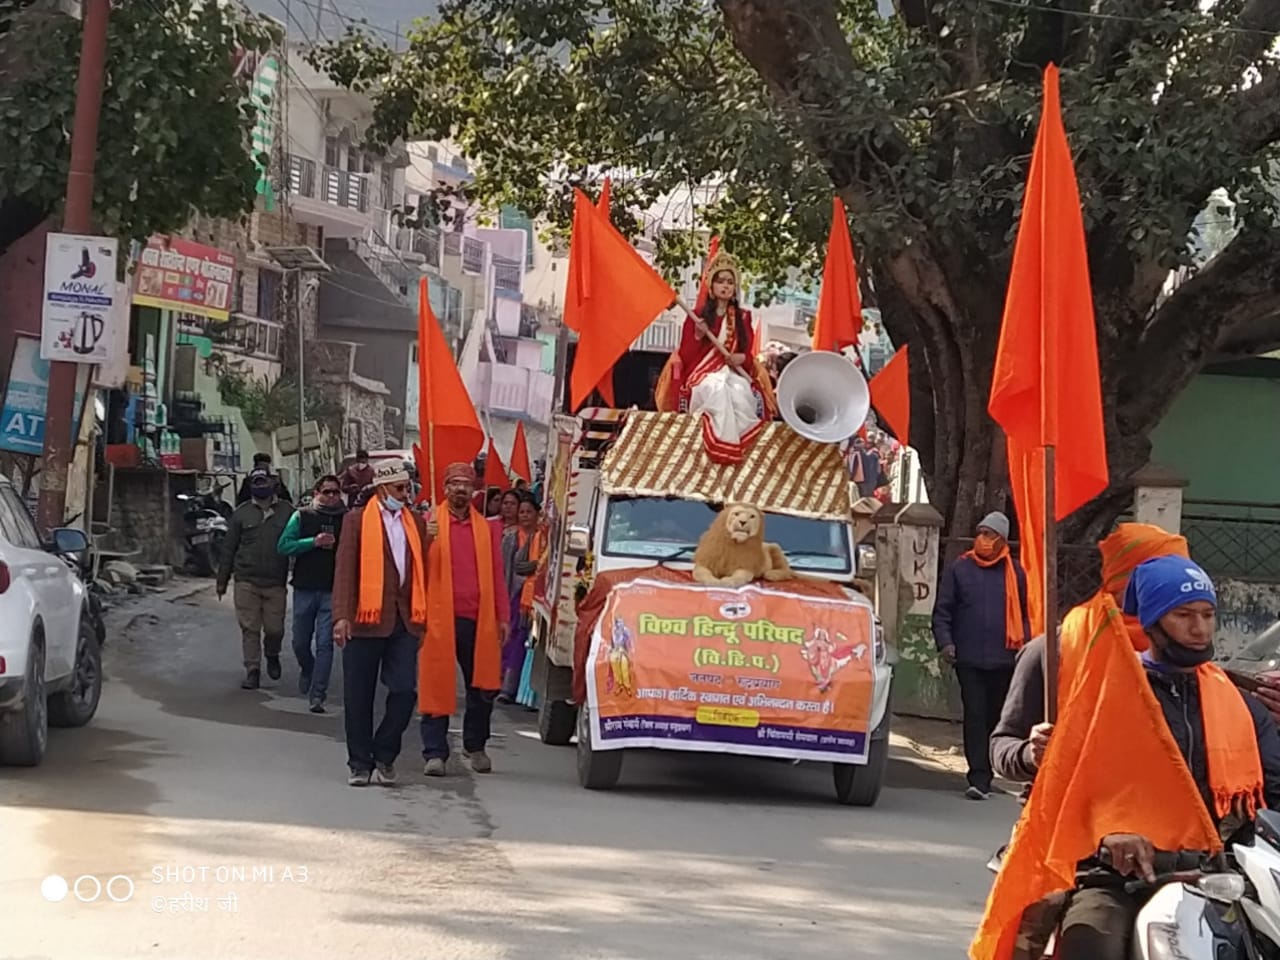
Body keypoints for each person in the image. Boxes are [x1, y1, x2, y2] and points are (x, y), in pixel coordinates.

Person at [1024, 557, 1280, 960]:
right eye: (1183, 615)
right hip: (1113, 876)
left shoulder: (1242, 705)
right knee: (1092, 944)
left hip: (1215, 875)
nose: (1200, 628)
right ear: (1151, 622)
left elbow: (1273, 792)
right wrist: (1107, 835)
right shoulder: (1104, 695)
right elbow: (1063, 789)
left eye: (1208, 615)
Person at [991, 523, 1192, 786]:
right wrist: (1030, 754)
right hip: (1071, 819)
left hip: (1175, 820)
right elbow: (1001, 747)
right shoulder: (1053, 650)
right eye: (1166, 578)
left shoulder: (1191, 656)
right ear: (1126, 582)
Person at [331, 460, 428, 787]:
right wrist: (342, 615)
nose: (406, 494)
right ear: (383, 488)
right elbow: (344, 570)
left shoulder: (415, 521)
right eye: (400, 488)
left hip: (404, 620)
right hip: (364, 618)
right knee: (358, 695)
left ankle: (384, 753)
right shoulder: (356, 520)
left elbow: (421, 571)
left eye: (408, 487)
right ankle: (360, 763)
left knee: (404, 691)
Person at [419, 462, 510, 777]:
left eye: (466, 485)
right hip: (438, 619)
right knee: (435, 682)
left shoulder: (485, 528)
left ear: (474, 491)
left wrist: (502, 616)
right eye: (455, 483)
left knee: (482, 686)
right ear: (444, 488)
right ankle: (434, 752)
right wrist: (424, 539)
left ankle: (476, 745)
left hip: (479, 619)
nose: (460, 489)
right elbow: (414, 569)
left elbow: (498, 576)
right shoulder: (428, 522)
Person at [932, 511, 1030, 800]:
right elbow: (943, 611)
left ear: (1002, 541)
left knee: (998, 718)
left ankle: (996, 767)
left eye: (990, 535)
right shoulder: (959, 569)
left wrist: (1025, 646)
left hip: (1006, 659)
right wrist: (946, 643)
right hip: (969, 657)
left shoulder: (1016, 573)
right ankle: (979, 778)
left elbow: (1027, 614)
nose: (983, 539)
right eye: (981, 533)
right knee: (975, 715)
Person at [653, 249, 777, 461]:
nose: (725, 286)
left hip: (732, 373)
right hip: (701, 375)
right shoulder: (698, 316)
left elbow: (746, 357)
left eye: (730, 282)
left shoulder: (743, 317)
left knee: (741, 393)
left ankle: (738, 447)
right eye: (721, 281)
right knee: (717, 390)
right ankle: (721, 449)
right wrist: (698, 334)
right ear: (712, 286)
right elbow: (686, 355)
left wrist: (741, 359)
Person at [277, 474, 347, 713]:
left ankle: (318, 694)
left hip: (332, 590)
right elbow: (284, 546)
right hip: (305, 588)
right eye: (326, 491)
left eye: (335, 492)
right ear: (317, 492)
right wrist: (312, 542)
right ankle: (308, 668)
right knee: (299, 641)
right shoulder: (302, 515)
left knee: (326, 644)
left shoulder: (346, 520)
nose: (331, 496)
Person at [217, 469, 292, 690]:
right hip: (246, 580)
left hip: (275, 582)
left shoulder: (287, 512)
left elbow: (300, 539)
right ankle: (253, 670)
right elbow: (228, 548)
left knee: (274, 629)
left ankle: (272, 654)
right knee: (249, 628)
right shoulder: (242, 514)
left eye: (264, 480)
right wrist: (222, 580)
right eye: (255, 481)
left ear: (273, 484)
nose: (260, 485)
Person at [499, 493, 543, 702]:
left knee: (526, 642)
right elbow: (505, 569)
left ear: (537, 514)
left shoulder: (543, 538)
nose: (524, 516)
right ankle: (504, 686)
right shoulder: (511, 538)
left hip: (536, 597)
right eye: (522, 512)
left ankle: (516, 690)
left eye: (528, 512)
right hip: (514, 595)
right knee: (511, 640)